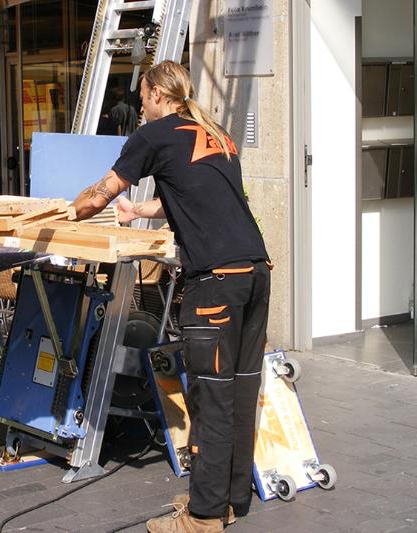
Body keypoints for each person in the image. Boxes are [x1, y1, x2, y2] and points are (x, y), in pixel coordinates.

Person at [72, 61, 270, 533]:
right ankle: (228, 500)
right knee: (240, 395)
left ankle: (201, 519)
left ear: (159, 93)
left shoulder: (154, 134)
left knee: (212, 402)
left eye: (142, 94)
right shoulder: (213, 133)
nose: (139, 103)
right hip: (255, 273)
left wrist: (64, 212)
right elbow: (190, 194)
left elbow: (100, 193)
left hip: (216, 283)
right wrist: (139, 210)